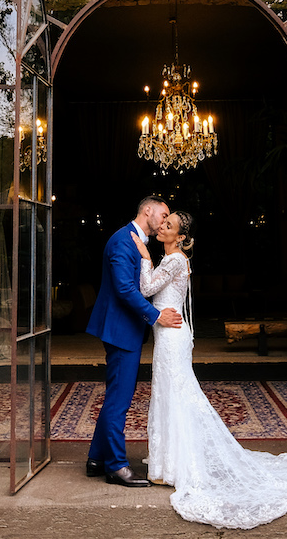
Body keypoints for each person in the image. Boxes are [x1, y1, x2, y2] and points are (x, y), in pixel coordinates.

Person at [134, 210, 287, 529]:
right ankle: (168, 465)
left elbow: (146, 289)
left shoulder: (173, 261)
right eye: (163, 222)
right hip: (170, 334)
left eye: (168, 226)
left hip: (171, 337)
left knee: (174, 395)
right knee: (172, 395)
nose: (161, 226)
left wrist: (144, 257)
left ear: (181, 237)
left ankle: (173, 467)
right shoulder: (176, 259)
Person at [85, 196, 184, 487]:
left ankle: (96, 458)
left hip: (124, 329)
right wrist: (156, 316)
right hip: (120, 331)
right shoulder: (121, 241)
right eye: (163, 214)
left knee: (115, 395)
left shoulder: (136, 243)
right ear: (147, 211)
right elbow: (125, 290)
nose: (165, 221)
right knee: (120, 401)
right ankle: (116, 466)